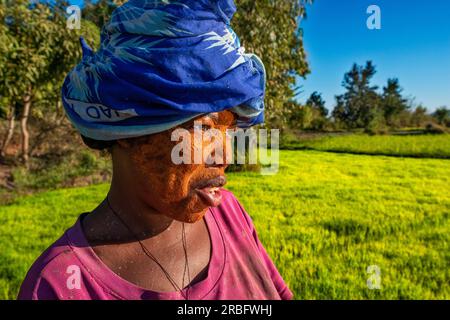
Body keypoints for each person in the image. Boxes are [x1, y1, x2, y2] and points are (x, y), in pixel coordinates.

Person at [18, 0, 293, 300]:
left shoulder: (230, 214)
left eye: (230, 129)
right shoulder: (60, 286)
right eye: (205, 128)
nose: (226, 155)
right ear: (126, 126)